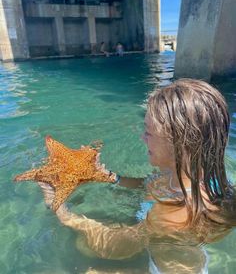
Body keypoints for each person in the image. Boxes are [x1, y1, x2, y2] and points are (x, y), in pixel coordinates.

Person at [39, 79, 236, 273]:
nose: (143, 138)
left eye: (149, 133)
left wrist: (64, 213)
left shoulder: (174, 213)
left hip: (166, 270)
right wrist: (110, 177)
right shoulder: (198, 177)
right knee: (84, 244)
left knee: (86, 256)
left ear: (179, 146)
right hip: (184, 258)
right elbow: (150, 183)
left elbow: (115, 247)